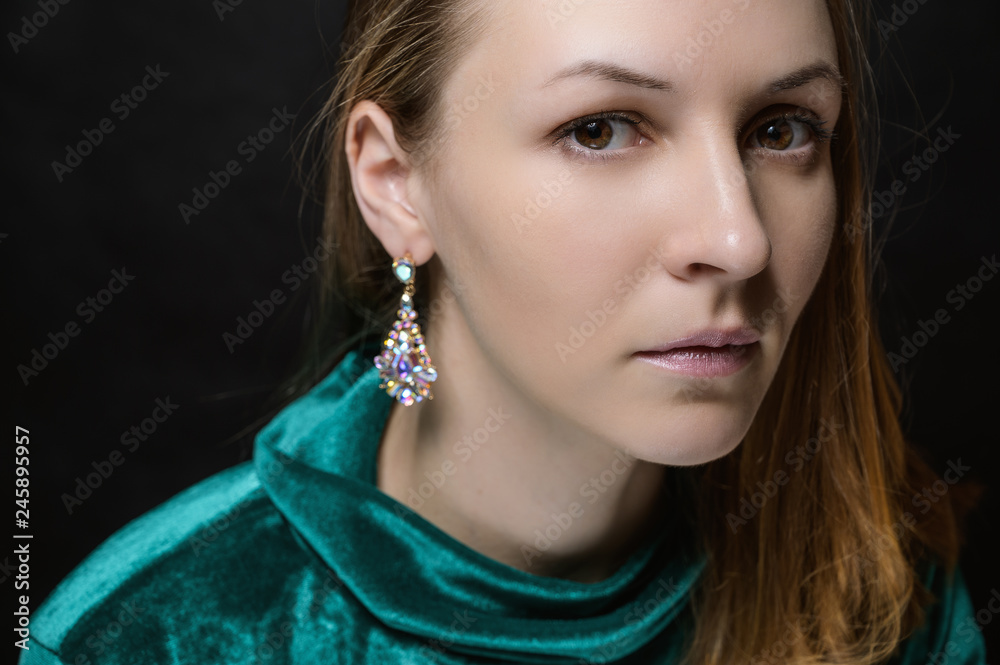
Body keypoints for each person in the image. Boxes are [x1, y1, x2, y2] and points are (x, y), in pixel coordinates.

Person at [22, 0, 989, 663]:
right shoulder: (151, 633)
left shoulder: (880, 597)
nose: (738, 239)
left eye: (783, 128)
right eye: (602, 128)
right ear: (396, 186)